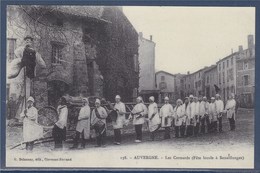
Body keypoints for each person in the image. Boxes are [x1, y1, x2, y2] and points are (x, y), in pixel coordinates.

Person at [9, 35, 46, 120]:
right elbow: (16, 58)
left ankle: (25, 115)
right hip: (20, 74)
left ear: (32, 42)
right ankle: (17, 116)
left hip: (29, 75)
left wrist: (35, 69)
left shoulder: (35, 52)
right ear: (24, 42)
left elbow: (43, 64)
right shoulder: (20, 50)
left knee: (27, 95)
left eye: (29, 40)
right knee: (18, 94)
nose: (27, 42)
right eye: (26, 40)